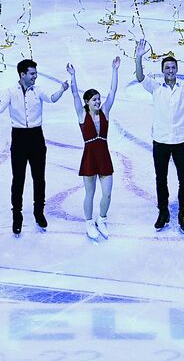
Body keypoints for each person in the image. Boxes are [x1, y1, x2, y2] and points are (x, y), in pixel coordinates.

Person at [135, 39, 184, 233]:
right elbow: (140, 77)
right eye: (167, 68)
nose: (170, 70)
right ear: (163, 71)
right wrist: (138, 58)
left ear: (177, 69)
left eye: (173, 67)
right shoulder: (156, 88)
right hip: (161, 141)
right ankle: (163, 212)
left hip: (180, 142)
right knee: (161, 179)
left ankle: (183, 213)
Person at [0, 58, 69, 235]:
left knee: (39, 178)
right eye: (32, 73)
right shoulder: (10, 92)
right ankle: (17, 215)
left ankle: (38, 212)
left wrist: (62, 89)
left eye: (35, 73)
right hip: (19, 138)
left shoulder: (38, 90)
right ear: (23, 74)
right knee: (18, 179)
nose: (35, 76)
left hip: (36, 137)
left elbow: (51, 99)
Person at [67, 58, 121, 240]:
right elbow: (75, 95)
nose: (98, 101)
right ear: (87, 102)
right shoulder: (82, 114)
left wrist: (114, 70)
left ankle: (102, 219)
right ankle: (89, 222)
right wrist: (73, 76)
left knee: (107, 193)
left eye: (99, 99)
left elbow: (112, 91)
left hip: (104, 156)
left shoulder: (105, 111)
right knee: (89, 193)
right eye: (94, 99)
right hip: (90, 157)